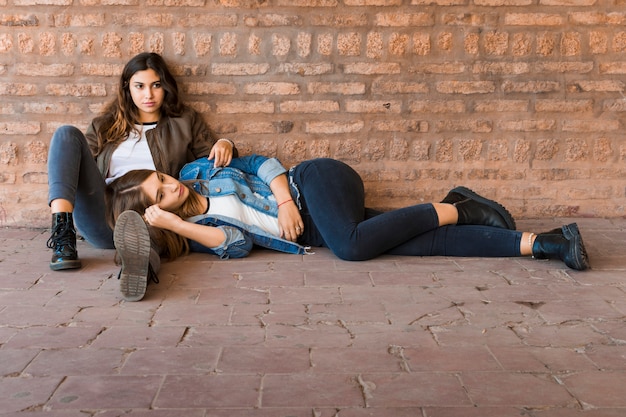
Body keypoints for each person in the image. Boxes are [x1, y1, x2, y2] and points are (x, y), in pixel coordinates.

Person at [105, 155, 590, 301]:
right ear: (159, 214)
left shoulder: (203, 170)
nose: (171, 187)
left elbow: (265, 162)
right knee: (419, 246)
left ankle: (459, 208)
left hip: (315, 182)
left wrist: (282, 198)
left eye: (164, 179)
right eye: (161, 194)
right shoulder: (198, 230)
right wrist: (174, 225)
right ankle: (544, 244)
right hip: (324, 228)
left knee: (353, 248)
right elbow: (231, 244)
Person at [46, 52, 238, 272]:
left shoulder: (183, 121)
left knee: (145, 234)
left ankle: (138, 270)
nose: (149, 94)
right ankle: (63, 237)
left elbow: (212, 159)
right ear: (127, 87)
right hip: (104, 217)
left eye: (156, 85)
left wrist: (225, 143)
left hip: (154, 218)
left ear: (166, 86)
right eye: (140, 86)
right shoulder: (105, 126)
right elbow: (77, 168)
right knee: (66, 134)